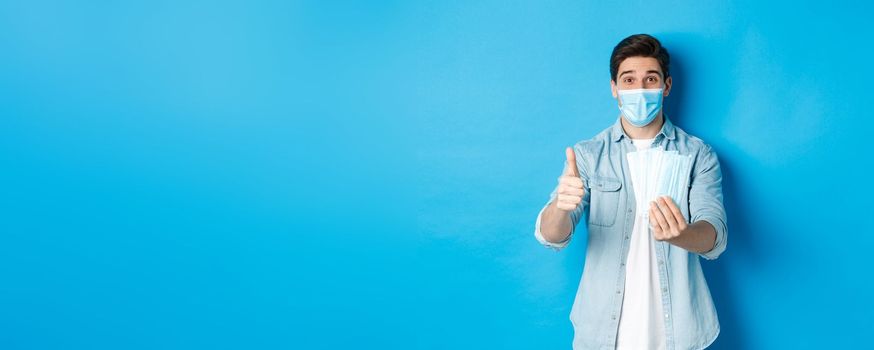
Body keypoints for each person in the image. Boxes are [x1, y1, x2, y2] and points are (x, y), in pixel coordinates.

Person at [534, 34, 727, 350]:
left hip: (679, 331)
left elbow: (715, 236)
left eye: (650, 79)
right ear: (614, 88)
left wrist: (681, 235)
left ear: (666, 86)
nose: (639, 89)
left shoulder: (698, 155)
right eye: (629, 79)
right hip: (602, 333)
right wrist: (561, 206)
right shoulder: (587, 155)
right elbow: (552, 236)